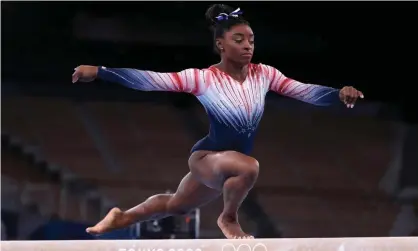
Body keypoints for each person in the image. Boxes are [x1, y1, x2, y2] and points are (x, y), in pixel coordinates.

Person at [72, 4, 364, 239]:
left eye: (251, 40)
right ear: (220, 45)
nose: (247, 46)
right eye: (238, 40)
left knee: (176, 205)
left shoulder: (265, 75)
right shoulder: (202, 78)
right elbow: (151, 80)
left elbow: (305, 92)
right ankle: (229, 217)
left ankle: (121, 218)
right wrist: (100, 71)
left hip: (227, 167)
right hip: (207, 157)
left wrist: (337, 94)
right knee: (250, 166)